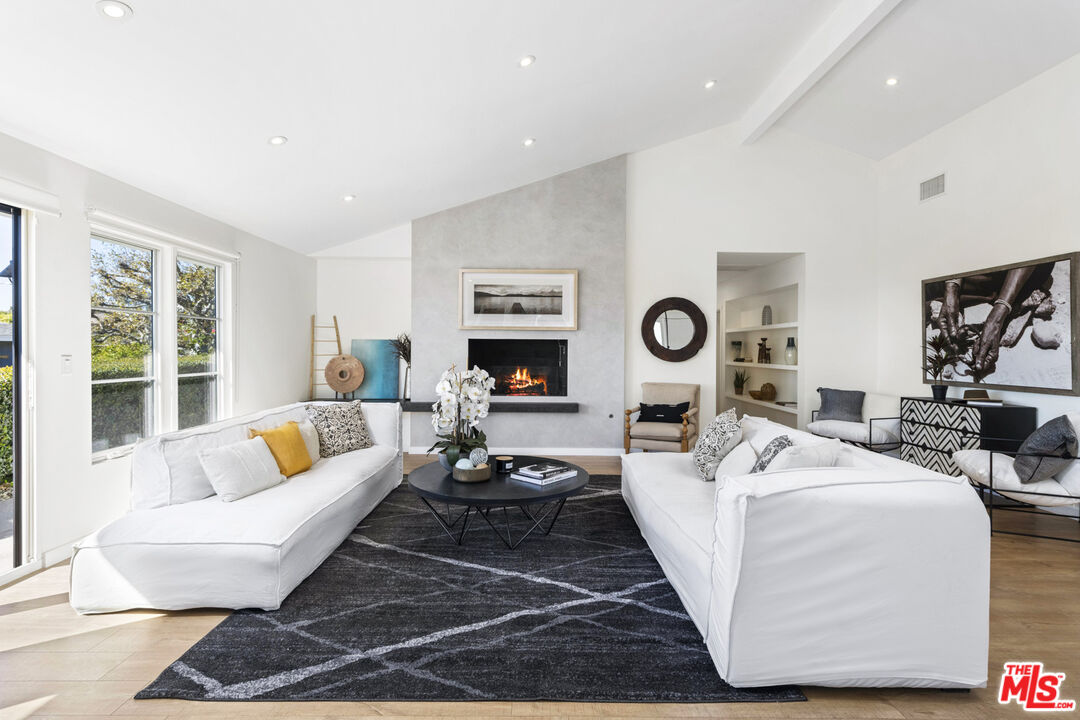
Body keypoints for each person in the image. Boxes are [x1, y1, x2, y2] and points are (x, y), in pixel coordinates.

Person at [928, 262, 1054, 378]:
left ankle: (1012, 302)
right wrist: (951, 288)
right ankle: (1015, 302)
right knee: (929, 284)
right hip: (976, 259)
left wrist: (997, 317)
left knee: (1036, 271)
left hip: (1016, 265)